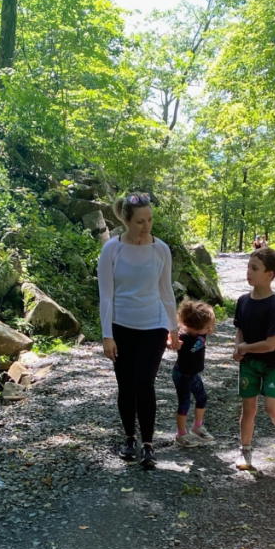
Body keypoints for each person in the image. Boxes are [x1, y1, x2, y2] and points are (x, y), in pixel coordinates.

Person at [98, 191, 180, 470]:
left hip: (153, 325)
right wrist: (107, 335)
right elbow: (106, 295)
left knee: (144, 381)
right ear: (126, 220)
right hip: (121, 325)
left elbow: (166, 291)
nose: (146, 226)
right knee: (126, 383)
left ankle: (147, 444)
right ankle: (129, 438)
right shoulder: (112, 249)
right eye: (140, 222)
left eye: (150, 220)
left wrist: (173, 328)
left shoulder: (161, 249)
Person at [232, 246, 275, 469]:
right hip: (248, 363)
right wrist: (238, 347)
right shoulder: (242, 301)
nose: (248, 272)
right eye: (248, 267)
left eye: (255, 268)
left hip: (271, 363)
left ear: (269, 275)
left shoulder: (274, 305)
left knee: (271, 407)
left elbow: (271, 344)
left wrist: (244, 348)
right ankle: (245, 451)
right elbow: (240, 329)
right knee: (248, 409)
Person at [171, 299, 217, 449]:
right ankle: (181, 434)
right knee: (184, 403)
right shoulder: (184, 336)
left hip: (193, 373)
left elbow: (210, 326)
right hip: (182, 374)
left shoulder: (202, 332)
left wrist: (209, 323)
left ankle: (197, 427)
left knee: (202, 398)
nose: (210, 329)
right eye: (207, 327)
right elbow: (170, 339)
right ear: (196, 328)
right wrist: (171, 343)